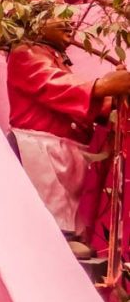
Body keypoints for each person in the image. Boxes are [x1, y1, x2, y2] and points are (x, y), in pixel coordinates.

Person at [7, 16, 130, 257]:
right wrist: (103, 86)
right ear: (35, 21)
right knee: (49, 190)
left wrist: (110, 99)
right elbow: (56, 86)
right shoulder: (24, 53)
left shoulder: (52, 57)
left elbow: (74, 100)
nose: (68, 22)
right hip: (40, 145)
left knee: (65, 193)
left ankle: (65, 234)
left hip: (63, 146)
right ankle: (56, 236)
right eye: (57, 15)